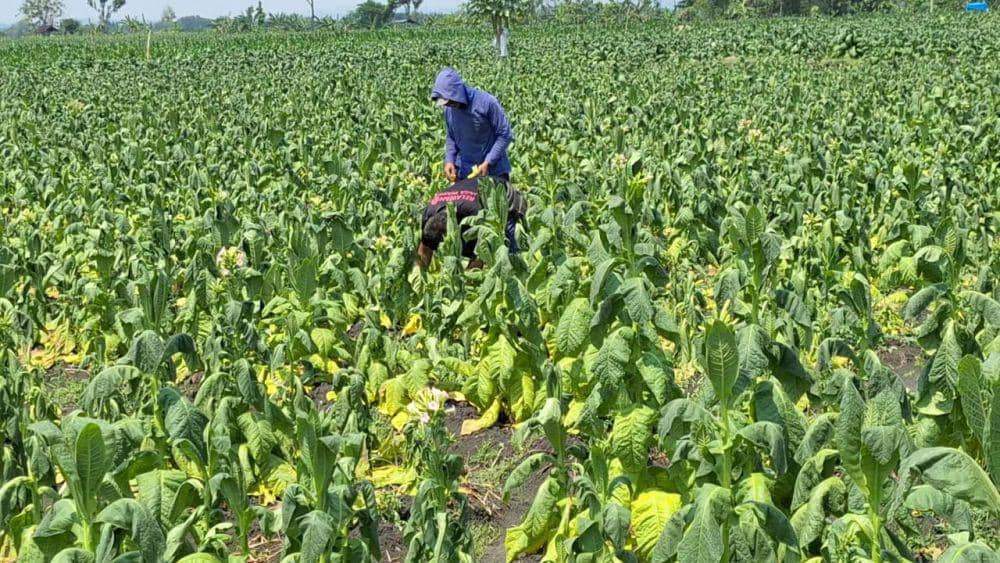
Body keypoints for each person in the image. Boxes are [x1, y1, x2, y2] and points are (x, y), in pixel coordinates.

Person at [417, 177, 526, 269]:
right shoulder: (428, 213)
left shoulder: (475, 212)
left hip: (501, 194)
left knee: (507, 248)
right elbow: (425, 247)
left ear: (448, 231)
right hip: (470, 194)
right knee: (464, 244)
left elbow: (483, 249)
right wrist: (421, 272)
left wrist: (468, 278)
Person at [431, 68, 513, 183]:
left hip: (494, 171)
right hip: (465, 173)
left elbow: (505, 135)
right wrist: (449, 160)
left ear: (458, 93)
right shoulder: (448, 109)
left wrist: (488, 162)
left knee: (498, 201)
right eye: (446, 102)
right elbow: (451, 136)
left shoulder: (486, 102)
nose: (449, 105)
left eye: (451, 101)